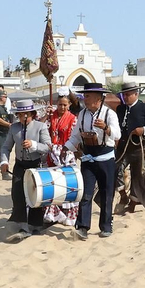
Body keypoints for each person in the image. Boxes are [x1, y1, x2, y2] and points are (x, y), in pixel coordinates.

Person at [0, 98, 52, 241]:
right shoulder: (14, 128)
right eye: (19, 115)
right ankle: (21, 225)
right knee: (18, 194)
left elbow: (47, 146)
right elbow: (6, 147)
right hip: (20, 165)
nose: (21, 117)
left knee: (35, 195)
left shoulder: (41, 126)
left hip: (35, 165)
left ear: (31, 114)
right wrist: (4, 161)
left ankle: (35, 224)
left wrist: (34, 145)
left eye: (24, 114)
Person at [73, 83, 119, 239]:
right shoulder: (82, 114)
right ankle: (83, 226)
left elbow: (117, 135)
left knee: (107, 193)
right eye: (84, 96)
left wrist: (106, 128)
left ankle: (106, 226)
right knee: (85, 193)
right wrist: (67, 147)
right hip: (88, 159)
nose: (84, 99)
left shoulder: (109, 114)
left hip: (106, 158)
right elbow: (75, 135)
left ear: (98, 98)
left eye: (87, 96)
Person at [114, 82, 145, 213]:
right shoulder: (120, 109)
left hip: (138, 147)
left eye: (128, 94)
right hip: (123, 147)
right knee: (115, 169)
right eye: (124, 94)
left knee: (137, 175)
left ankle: (134, 203)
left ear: (136, 94)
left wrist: (144, 129)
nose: (126, 97)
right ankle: (123, 197)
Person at [43, 93, 80, 228]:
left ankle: (69, 212)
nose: (62, 107)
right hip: (51, 152)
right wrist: (46, 115)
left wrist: (64, 149)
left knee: (67, 183)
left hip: (66, 153)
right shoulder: (51, 117)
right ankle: (53, 212)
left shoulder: (73, 119)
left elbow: (74, 137)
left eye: (65, 105)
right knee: (52, 183)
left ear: (69, 105)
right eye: (60, 104)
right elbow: (42, 129)